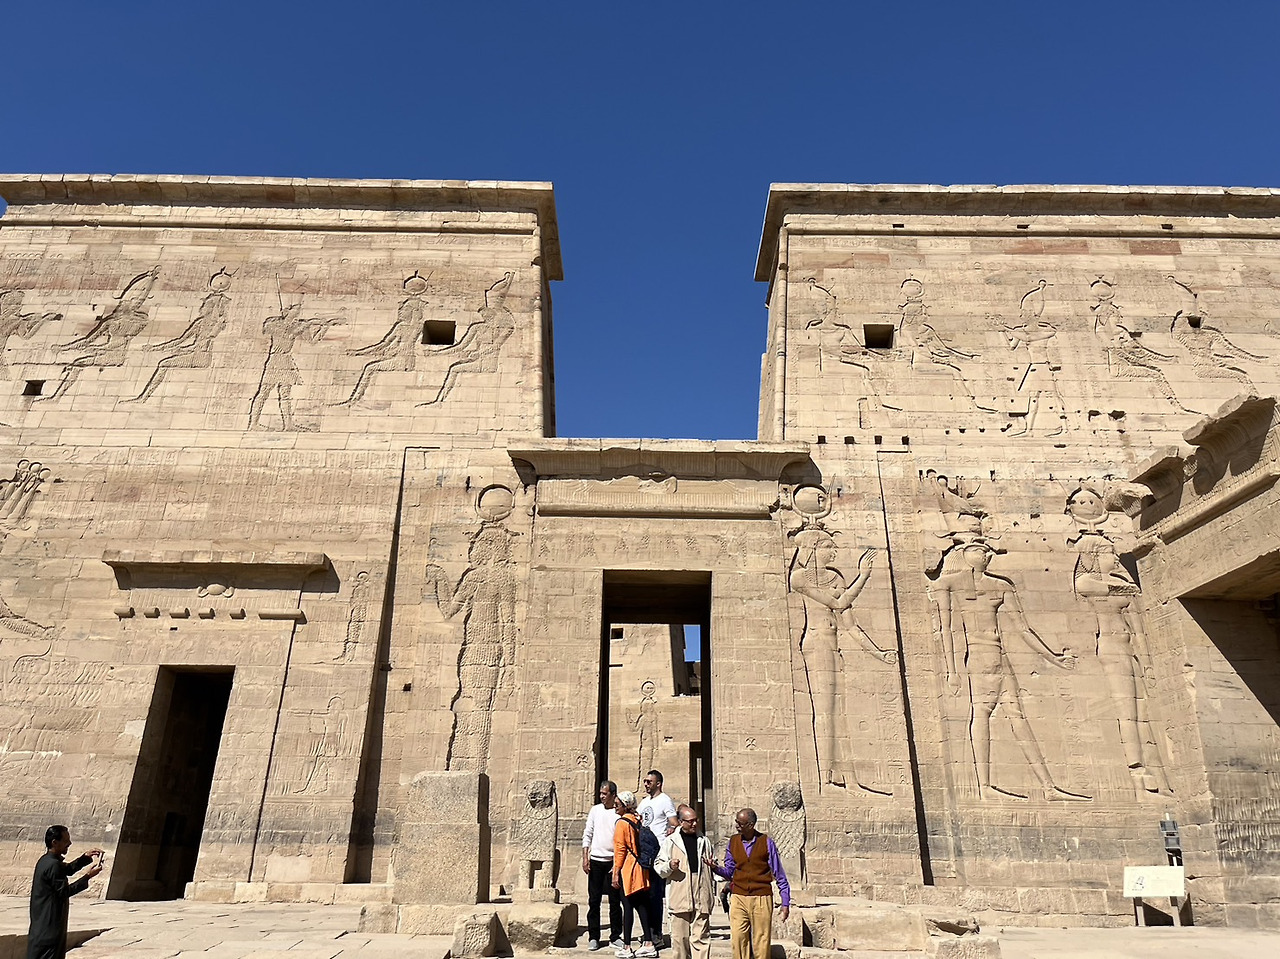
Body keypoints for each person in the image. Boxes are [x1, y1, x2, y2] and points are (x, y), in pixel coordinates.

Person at [705, 808, 790, 959]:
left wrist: (785, 903)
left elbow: (779, 874)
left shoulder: (766, 843)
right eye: (736, 822)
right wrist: (715, 868)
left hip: (761, 897)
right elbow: (730, 872)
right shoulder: (733, 842)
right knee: (738, 938)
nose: (736, 825)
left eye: (740, 823)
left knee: (761, 941)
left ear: (750, 825)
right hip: (739, 896)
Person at [28, 825, 102, 959]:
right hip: (49, 927)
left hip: (43, 925)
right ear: (55, 842)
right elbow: (65, 891)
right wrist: (87, 876)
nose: (69, 843)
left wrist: (85, 858)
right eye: (66, 841)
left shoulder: (46, 860)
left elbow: (67, 869)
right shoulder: (52, 865)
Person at [654, 805, 714, 959]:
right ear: (681, 822)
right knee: (680, 941)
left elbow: (711, 865)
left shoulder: (704, 841)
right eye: (690, 821)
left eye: (695, 820)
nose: (694, 824)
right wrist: (669, 866)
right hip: (679, 895)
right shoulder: (670, 842)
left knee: (701, 939)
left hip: (701, 894)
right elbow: (658, 867)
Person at [612, 791, 656, 959]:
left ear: (625, 806)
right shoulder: (637, 820)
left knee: (628, 906)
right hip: (641, 868)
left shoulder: (622, 823)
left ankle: (627, 946)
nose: (615, 807)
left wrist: (616, 873)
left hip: (628, 868)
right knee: (642, 905)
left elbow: (620, 850)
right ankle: (648, 943)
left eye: (618, 804)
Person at [637, 770, 677, 946]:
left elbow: (674, 822)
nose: (646, 784)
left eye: (649, 781)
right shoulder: (644, 802)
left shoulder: (665, 800)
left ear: (658, 783)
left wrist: (671, 830)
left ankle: (657, 934)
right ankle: (648, 932)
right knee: (644, 894)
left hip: (657, 852)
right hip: (643, 852)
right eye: (645, 781)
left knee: (654, 895)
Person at [582, 780, 623, 951]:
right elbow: (588, 833)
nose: (602, 797)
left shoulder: (618, 812)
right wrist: (585, 857)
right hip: (596, 861)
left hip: (613, 862)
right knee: (594, 900)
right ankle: (594, 936)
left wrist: (618, 864)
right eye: (600, 793)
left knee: (615, 901)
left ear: (613, 795)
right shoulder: (595, 810)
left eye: (605, 794)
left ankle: (615, 936)